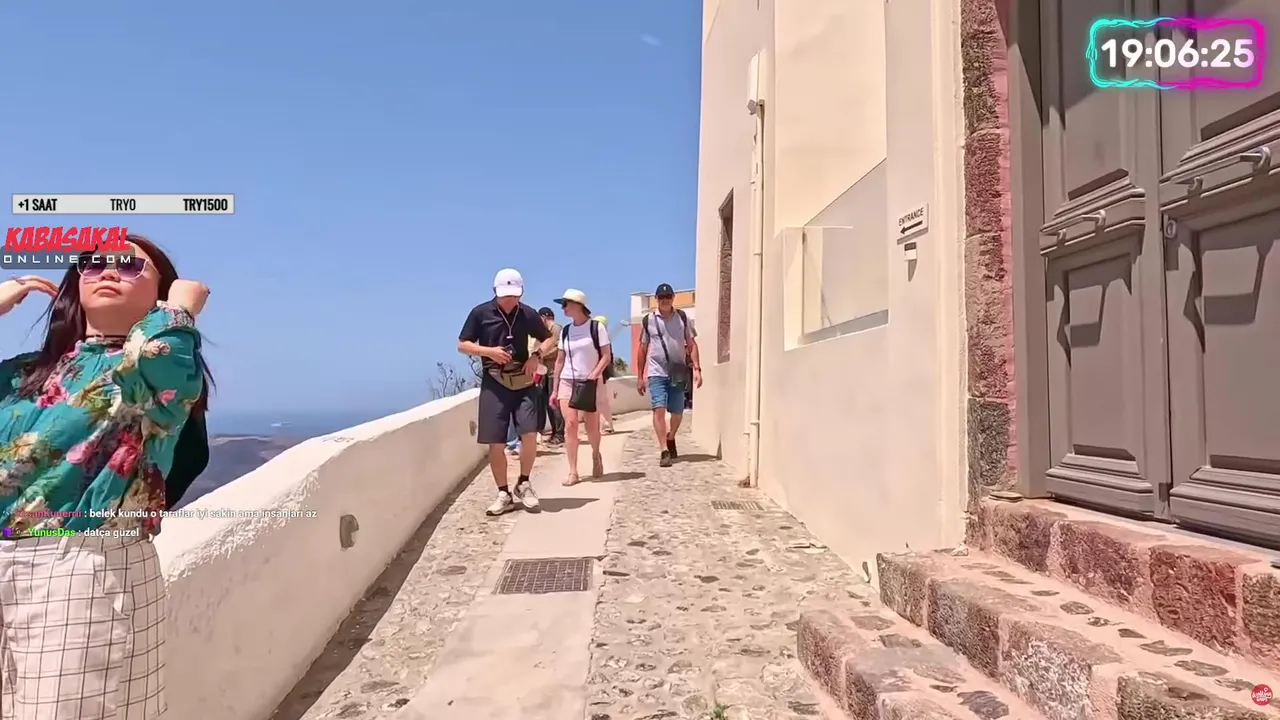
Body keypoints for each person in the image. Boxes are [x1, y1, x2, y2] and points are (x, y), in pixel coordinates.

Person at [0, 235, 212, 720]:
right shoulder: (25, 373)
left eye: (130, 265)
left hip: (84, 566)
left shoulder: (155, 373)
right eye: (94, 264)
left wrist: (179, 311)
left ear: (161, 290)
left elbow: (157, 355)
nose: (110, 271)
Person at [458, 269, 551, 516]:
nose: (509, 300)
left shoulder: (528, 313)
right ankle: (503, 493)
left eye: (514, 295)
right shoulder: (480, 313)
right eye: (505, 295)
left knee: (529, 433)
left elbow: (549, 338)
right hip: (494, 381)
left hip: (523, 380)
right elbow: (462, 344)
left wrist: (536, 355)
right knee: (496, 442)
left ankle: (524, 482)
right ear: (495, 292)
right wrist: (489, 352)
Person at [636, 283, 703, 467]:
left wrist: (697, 369)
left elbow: (691, 344)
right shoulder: (648, 320)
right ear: (656, 299)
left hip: (678, 371)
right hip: (656, 372)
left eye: (668, 297)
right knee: (658, 409)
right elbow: (642, 348)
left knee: (677, 412)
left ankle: (671, 436)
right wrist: (640, 376)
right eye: (661, 297)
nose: (665, 300)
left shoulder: (682, 318)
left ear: (673, 298)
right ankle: (664, 450)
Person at [549, 289, 612, 486]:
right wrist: (555, 389)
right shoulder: (566, 331)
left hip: (589, 383)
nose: (563, 308)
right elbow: (560, 361)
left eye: (565, 304)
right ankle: (573, 471)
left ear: (578, 304)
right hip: (568, 381)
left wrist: (595, 374)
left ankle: (595, 453)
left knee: (592, 427)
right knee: (571, 425)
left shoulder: (596, 328)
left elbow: (606, 356)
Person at [535, 307, 565, 445]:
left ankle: (559, 433)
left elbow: (559, 349)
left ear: (543, 317)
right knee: (546, 403)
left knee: (554, 404)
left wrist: (541, 354)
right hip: (545, 371)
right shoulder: (543, 332)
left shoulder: (556, 329)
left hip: (554, 371)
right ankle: (554, 432)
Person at [591, 315, 615, 433]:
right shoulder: (604, 339)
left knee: (600, 400)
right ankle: (603, 425)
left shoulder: (601, 340)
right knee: (600, 400)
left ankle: (605, 425)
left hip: (599, 373)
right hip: (598, 373)